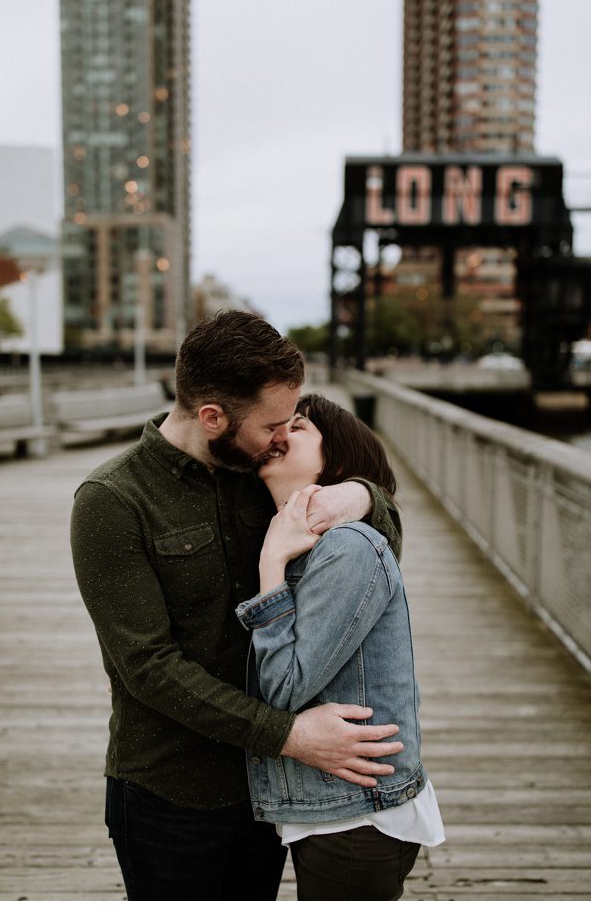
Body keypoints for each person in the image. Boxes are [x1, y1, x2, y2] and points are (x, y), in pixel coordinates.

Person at [71, 310, 407, 900]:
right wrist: (289, 736)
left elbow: (381, 550)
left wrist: (359, 494)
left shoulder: (259, 469)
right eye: (273, 424)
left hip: (268, 792)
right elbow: (147, 667)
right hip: (170, 791)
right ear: (212, 417)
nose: (283, 437)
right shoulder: (112, 501)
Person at [238, 394, 444, 899]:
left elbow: (284, 689)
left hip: (355, 818)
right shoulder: (321, 546)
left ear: (340, 464)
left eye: (299, 427)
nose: (279, 435)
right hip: (339, 810)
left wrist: (269, 564)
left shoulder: (347, 548)